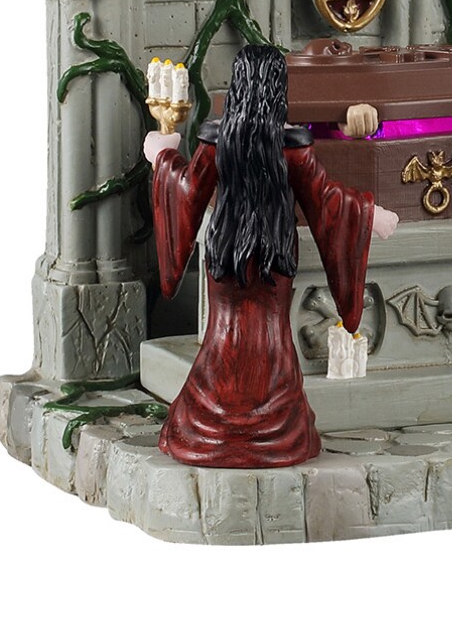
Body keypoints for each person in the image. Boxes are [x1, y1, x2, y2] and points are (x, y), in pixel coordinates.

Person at [143, 44, 398, 467]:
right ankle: (274, 427)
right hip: (273, 262)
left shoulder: (217, 141)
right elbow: (326, 198)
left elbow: (186, 190)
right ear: (279, 89)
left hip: (226, 261)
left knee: (224, 336)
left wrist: (162, 154)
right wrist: (369, 215)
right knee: (270, 338)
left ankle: (208, 424)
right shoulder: (291, 145)